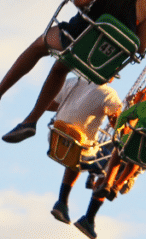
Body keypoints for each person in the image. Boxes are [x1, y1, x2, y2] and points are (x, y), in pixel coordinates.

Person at [0, 0, 146, 143]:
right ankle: (30, 121)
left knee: (38, 46)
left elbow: (80, 1)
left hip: (76, 39)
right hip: (102, 61)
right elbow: (141, 46)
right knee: (60, 68)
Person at [73, 80, 146, 239]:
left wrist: (118, 132)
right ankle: (118, 184)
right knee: (137, 159)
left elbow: (125, 116)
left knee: (120, 149)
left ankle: (109, 183)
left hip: (129, 147)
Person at [46, 76, 123, 225]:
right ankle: (89, 218)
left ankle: (62, 201)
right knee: (112, 160)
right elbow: (118, 127)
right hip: (81, 149)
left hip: (55, 138)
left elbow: (50, 105)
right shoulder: (109, 94)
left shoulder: (72, 81)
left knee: (77, 145)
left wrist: (72, 106)